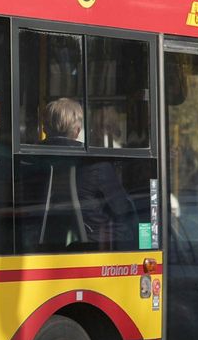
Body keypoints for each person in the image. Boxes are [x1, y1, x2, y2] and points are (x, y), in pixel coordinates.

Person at [43, 97, 135, 248]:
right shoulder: (95, 164)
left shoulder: (29, 162)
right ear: (77, 131)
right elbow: (122, 209)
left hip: (42, 245)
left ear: (45, 129)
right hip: (90, 246)